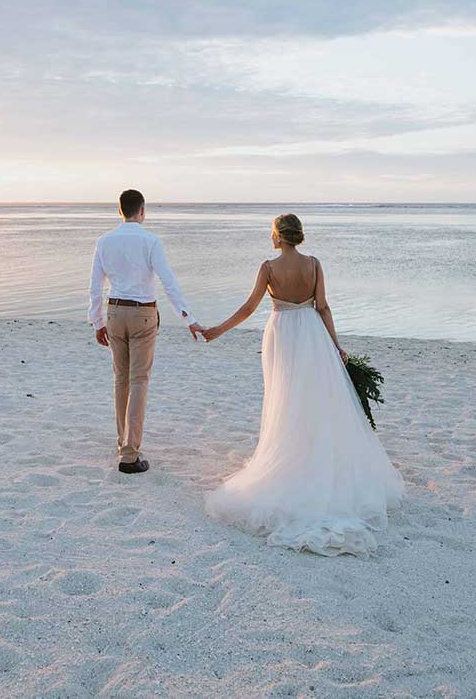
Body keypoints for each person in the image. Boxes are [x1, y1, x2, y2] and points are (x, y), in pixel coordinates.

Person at [191, 213, 404, 555]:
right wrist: (336, 346)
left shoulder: (269, 267)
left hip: (283, 334)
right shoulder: (314, 264)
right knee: (315, 399)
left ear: (277, 236)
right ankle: (312, 457)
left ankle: (291, 457)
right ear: (299, 235)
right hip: (312, 334)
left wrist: (218, 330)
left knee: (286, 400)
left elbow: (249, 308)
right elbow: (323, 307)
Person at [88, 188, 196, 475]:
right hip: (143, 314)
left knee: (121, 379)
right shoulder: (150, 240)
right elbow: (168, 280)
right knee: (138, 381)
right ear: (143, 210)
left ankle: (123, 441)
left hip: (115, 312)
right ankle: (129, 454)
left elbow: (95, 286)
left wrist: (97, 321)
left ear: (119, 210)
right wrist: (188, 318)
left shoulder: (104, 241)